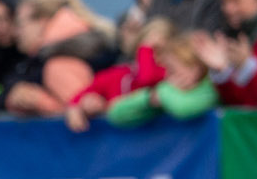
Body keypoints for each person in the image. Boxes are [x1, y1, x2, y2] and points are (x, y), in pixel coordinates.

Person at [71, 33, 218, 129]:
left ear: (195, 68)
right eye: (167, 69)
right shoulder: (166, 95)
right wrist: (149, 98)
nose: (167, 75)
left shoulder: (208, 90)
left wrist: (161, 91)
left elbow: (183, 108)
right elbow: (117, 114)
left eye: (172, 69)